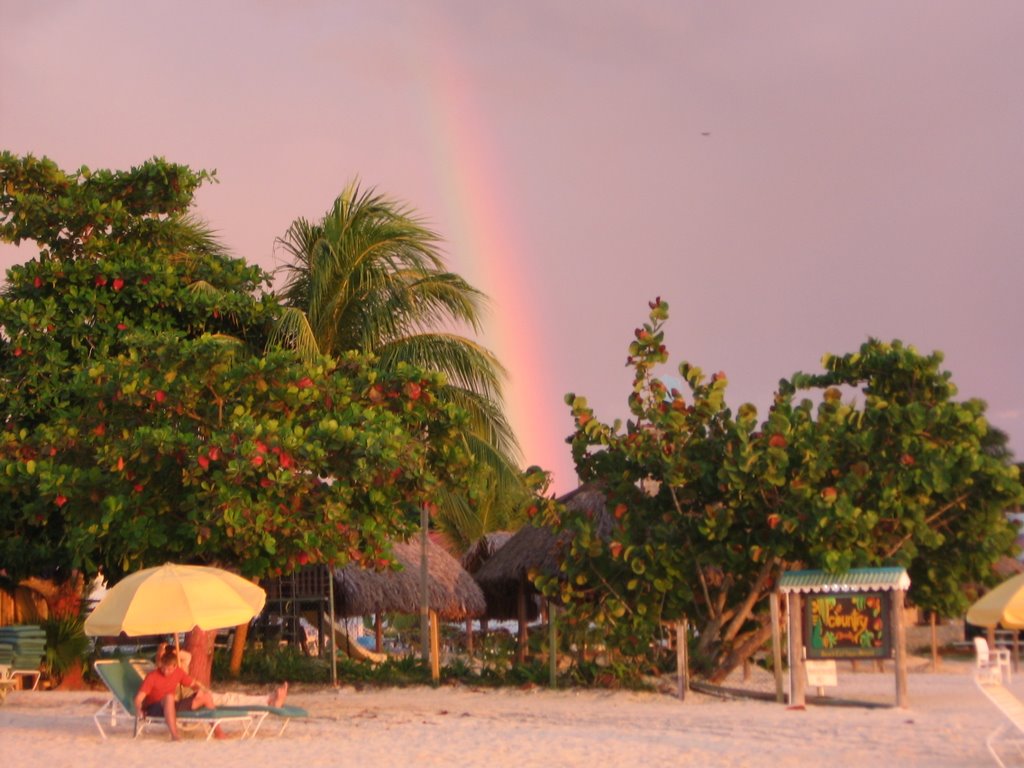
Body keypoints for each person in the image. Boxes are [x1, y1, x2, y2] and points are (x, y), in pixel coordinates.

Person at [153, 642, 289, 708]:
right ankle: (269, 701)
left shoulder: (179, 665)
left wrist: (174, 652)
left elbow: (187, 656)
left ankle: (269, 699)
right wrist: (161, 652)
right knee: (230, 699)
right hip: (192, 699)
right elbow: (160, 666)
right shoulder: (161, 673)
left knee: (230, 697)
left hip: (196, 693)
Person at [132, 648, 223, 740]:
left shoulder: (178, 672)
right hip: (154, 708)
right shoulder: (152, 676)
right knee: (168, 696)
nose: (165, 671)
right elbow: (138, 698)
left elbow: (193, 684)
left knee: (206, 696)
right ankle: (174, 735)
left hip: (172, 705)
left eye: (168, 669)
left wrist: (199, 690)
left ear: (175, 666)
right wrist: (139, 709)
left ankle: (219, 733)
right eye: (163, 668)